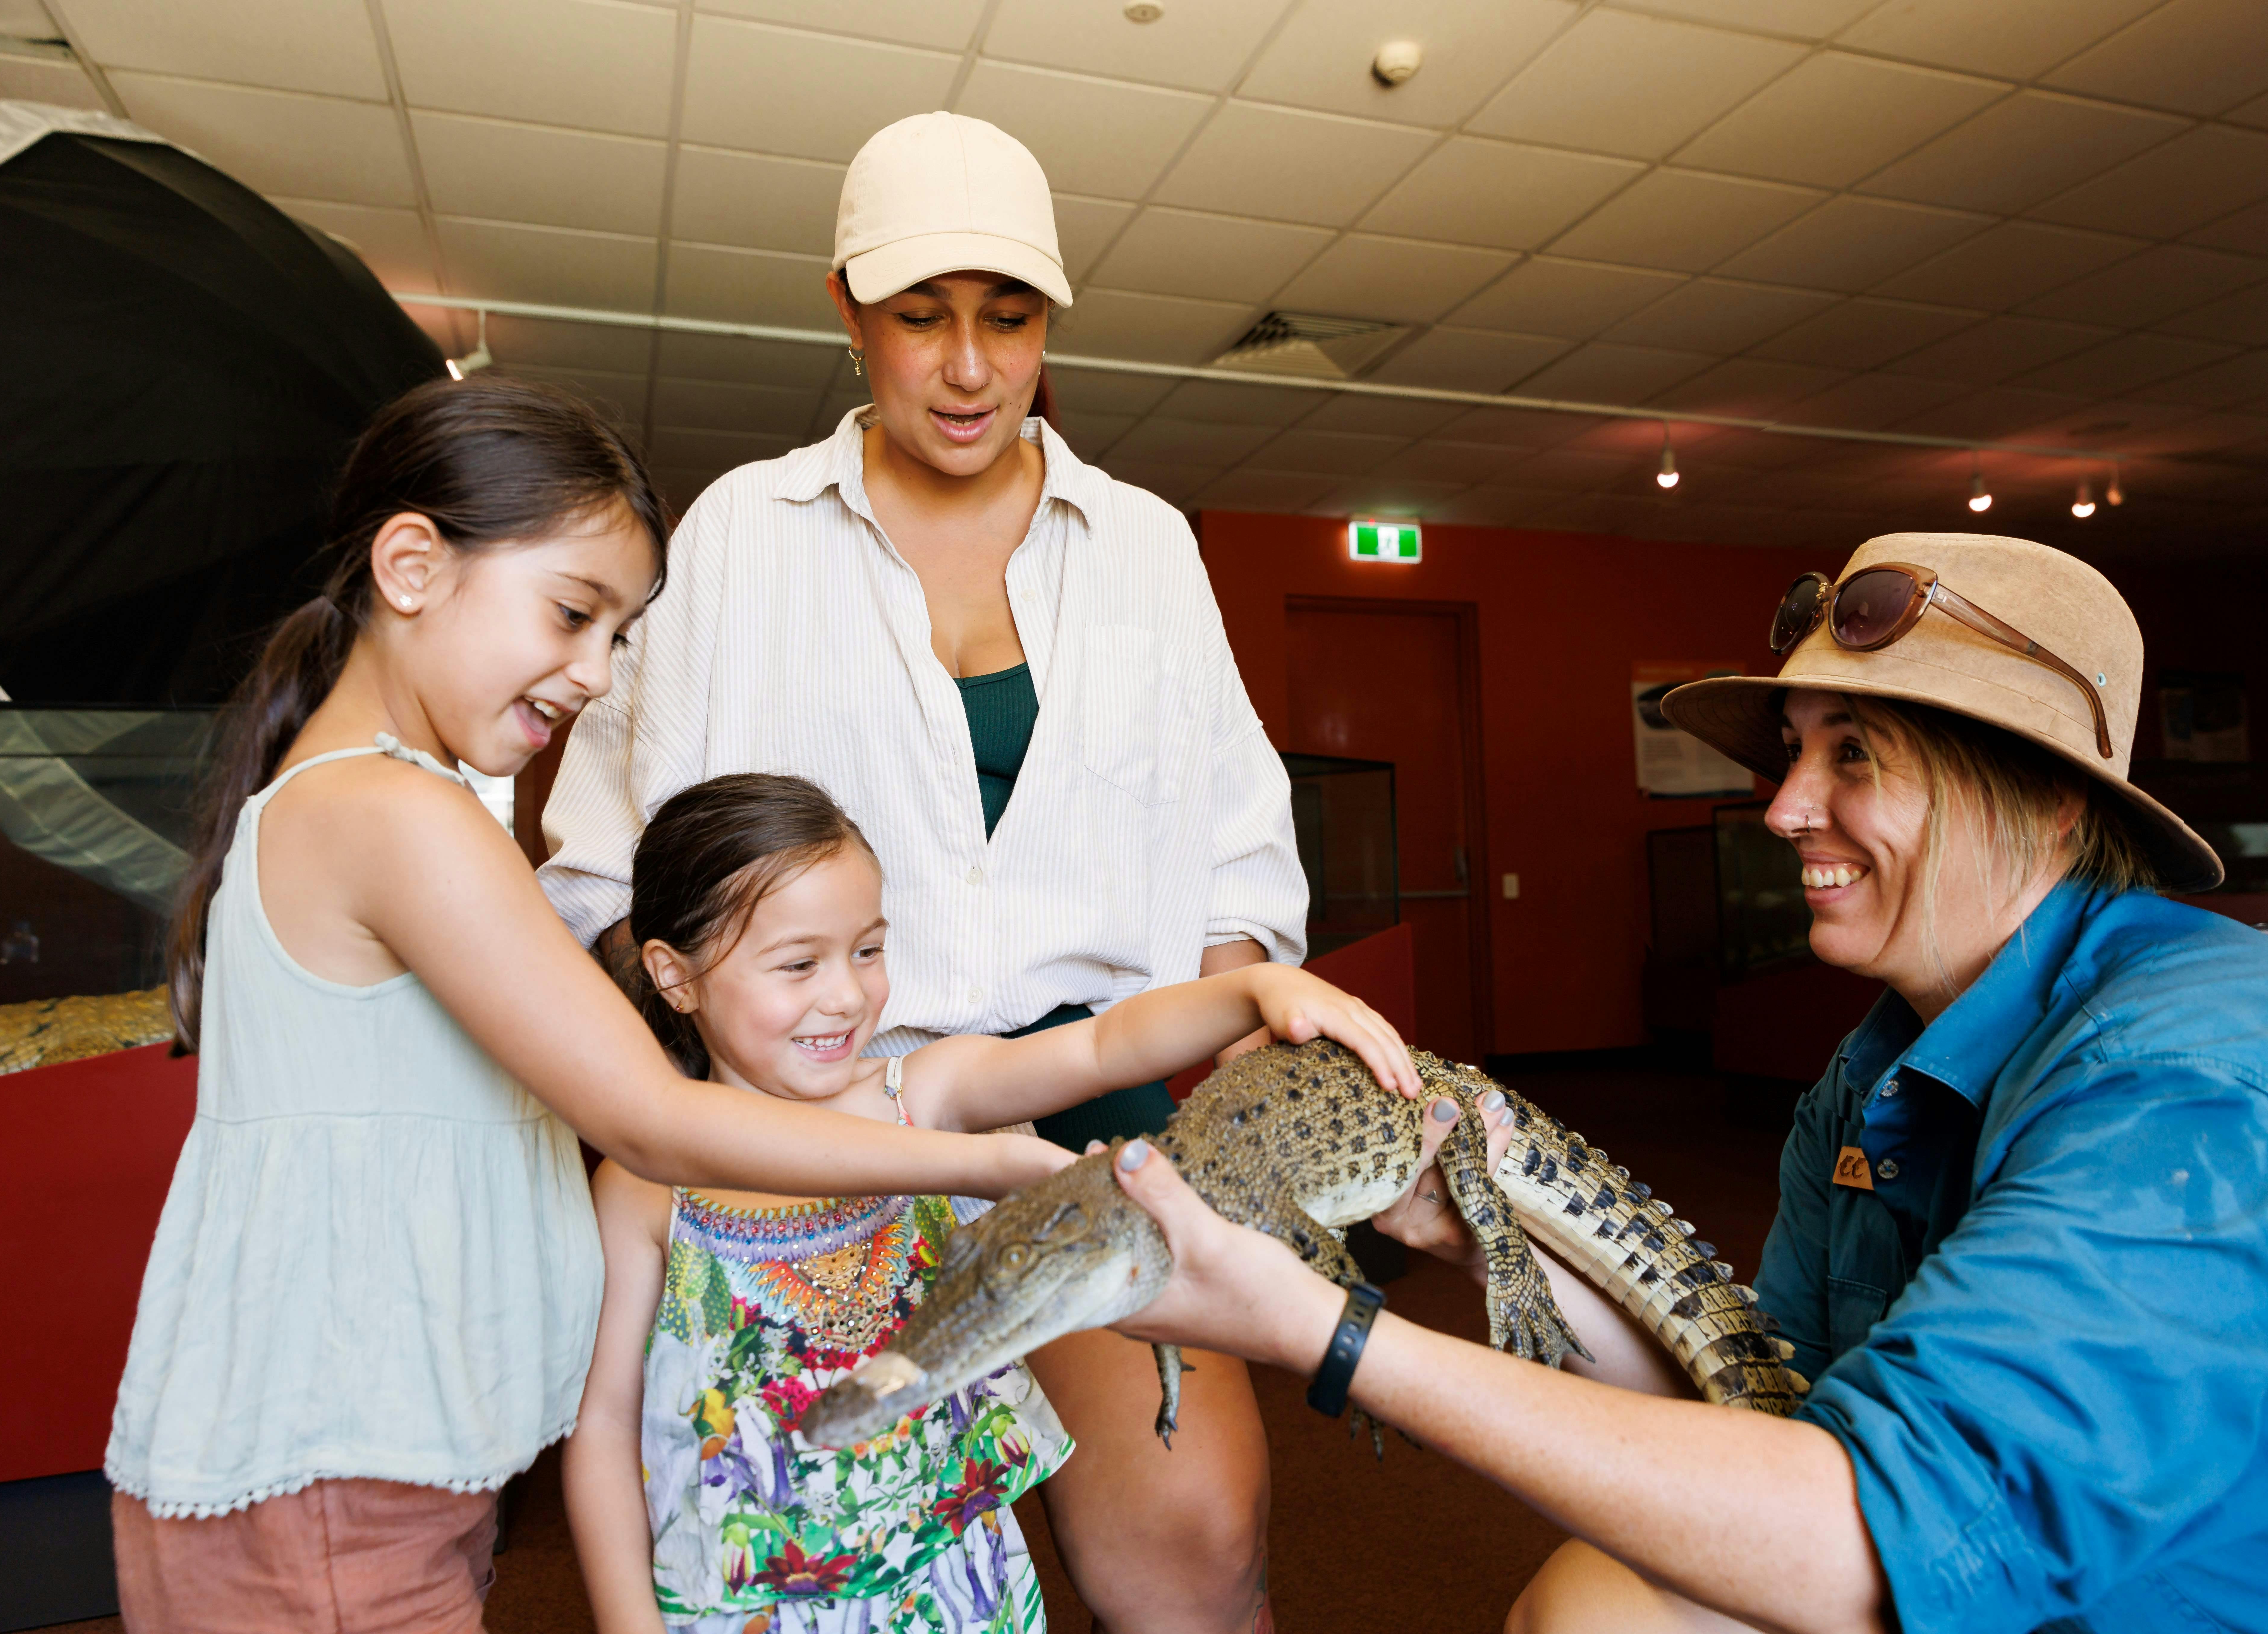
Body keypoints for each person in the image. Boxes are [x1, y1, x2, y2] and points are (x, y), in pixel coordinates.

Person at [1075, 534, 2268, 1633]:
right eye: (1793, 751)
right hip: (1993, 1569)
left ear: (2048, 805)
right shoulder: (1875, 1069)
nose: (1780, 808)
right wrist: (1479, 1234)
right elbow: (1759, 1404)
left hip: (2212, 1602)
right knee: (1591, 1611)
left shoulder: (2209, 1078)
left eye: (1855, 754)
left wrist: (1331, 1333)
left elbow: (1869, 1541)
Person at [106, 378, 1077, 1633]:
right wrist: (992, 1162)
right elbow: (652, 1120)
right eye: (573, 613)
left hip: (360, 1470)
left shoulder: (368, 799)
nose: (595, 672)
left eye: (619, 635)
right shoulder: (394, 813)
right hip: (327, 1477)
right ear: (412, 565)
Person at [540, 113, 1305, 1631]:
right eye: (920, 317)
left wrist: (1225, 1133)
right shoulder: (739, 536)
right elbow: (605, 879)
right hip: (812, 1119)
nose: (967, 368)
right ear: (847, 312)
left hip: (1085, 1098)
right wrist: (721, 1092)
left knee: (1196, 1539)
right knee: (830, 1537)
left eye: (1007, 319)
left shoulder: (1147, 547)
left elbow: (1239, 877)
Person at [563, 772, 1415, 1633]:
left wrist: (1254, 992)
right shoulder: (644, 1190)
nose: (848, 996)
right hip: (746, 1609)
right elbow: (603, 1427)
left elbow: (1102, 1045)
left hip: (960, 1593)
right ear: (675, 976)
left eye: (868, 951)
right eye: (799, 964)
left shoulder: (915, 1095)